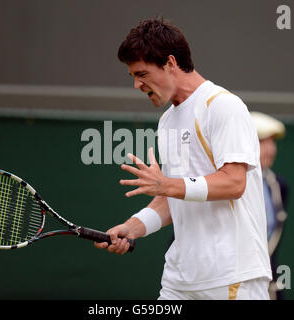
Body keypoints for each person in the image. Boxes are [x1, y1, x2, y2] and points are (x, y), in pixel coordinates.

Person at [94, 18, 272, 300]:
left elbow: (234, 183)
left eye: (141, 73)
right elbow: (174, 194)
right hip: (179, 281)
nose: (137, 84)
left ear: (170, 63)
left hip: (231, 277)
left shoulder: (223, 106)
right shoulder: (167, 121)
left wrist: (167, 185)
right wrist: (133, 227)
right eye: (132, 76)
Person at [251, 112, 289, 300]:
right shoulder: (220, 185)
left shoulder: (279, 186)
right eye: (262, 142)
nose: (271, 149)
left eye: (272, 142)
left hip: (268, 288)